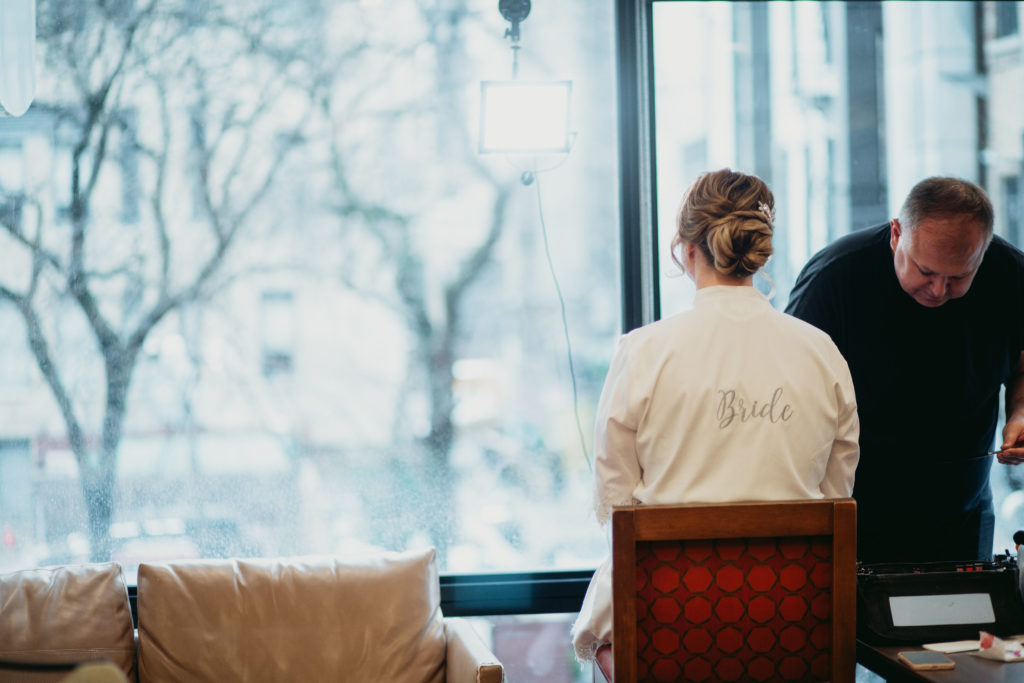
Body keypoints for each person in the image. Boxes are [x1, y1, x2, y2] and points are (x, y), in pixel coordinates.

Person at [571, 168, 860, 678]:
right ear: (758, 248)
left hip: (671, 619)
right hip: (793, 619)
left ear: (687, 251)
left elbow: (614, 500)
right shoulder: (822, 352)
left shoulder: (644, 351)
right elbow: (836, 491)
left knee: (599, 630)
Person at [786, 176, 1024, 564]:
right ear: (897, 234)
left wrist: (1019, 413)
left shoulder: (1010, 272)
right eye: (925, 270)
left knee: (961, 623)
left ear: (982, 252)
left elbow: (1021, 365)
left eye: (959, 276)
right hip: (855, 508)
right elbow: (790, 388)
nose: (938, 290)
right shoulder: (835, 277)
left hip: (963, 506)